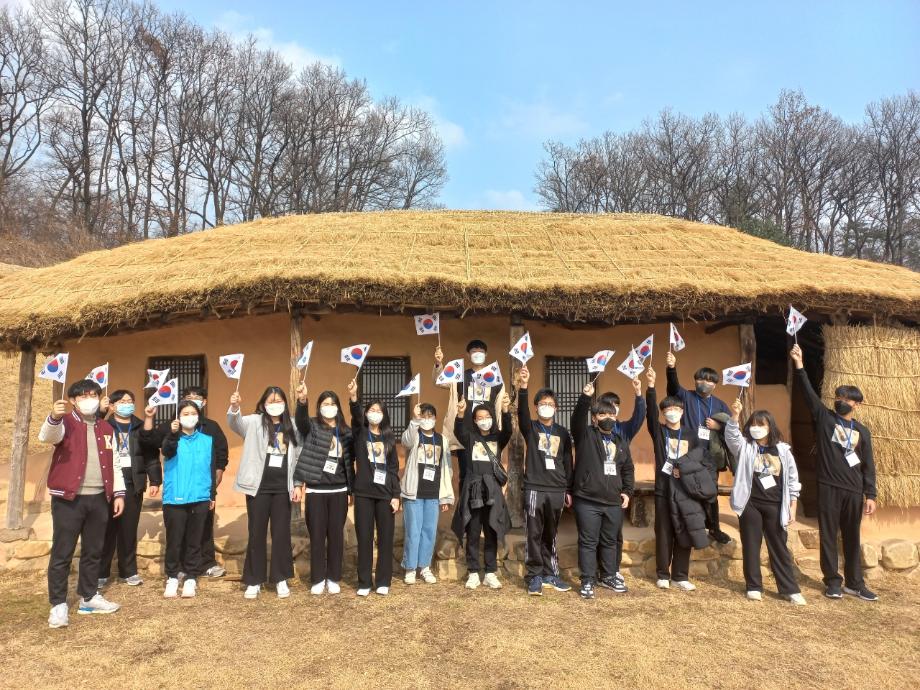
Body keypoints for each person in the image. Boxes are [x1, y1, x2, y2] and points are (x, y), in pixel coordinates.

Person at [790, 344, 878, 601]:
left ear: (857, 404)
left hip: (854, 490)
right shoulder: (825, 418)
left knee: (852, 537)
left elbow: (868, 465)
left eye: (846, 399)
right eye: (838, 398)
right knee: (828, 535)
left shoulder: (862, 432)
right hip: (828, 486)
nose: (840, 402)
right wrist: (799, 365)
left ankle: (855, 583)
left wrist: (870, 494)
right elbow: (808, 395)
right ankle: (832, 581)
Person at [40, 380, 125, 629]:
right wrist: (53, 417)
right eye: (83, 395)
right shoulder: (65, 422)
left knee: (93, 550)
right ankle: (58, 604)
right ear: (74, 400)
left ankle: (88, 597)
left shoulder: (107, 427)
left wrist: (118, 493)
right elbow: (47, 436)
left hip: (99, 498)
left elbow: (116, 461)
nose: (89, 399)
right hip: (69, 499)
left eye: (94, 395)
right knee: (62, 552)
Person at [725, 400, 805, 605]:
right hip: (750, 504)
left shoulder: (783, 450)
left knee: (778, 546)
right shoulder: (745, 447)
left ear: (770, 427)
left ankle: (789, 589)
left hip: (775, 505)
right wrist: (735, 415)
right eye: (753, 424)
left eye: (761, 425)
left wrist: (792, 507)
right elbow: (731, 437)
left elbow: (793, 480)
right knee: (751, 545)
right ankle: (753, 586)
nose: (756, 428)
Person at [228, 386, 302, 600]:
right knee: (256, 533)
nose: (275, 403)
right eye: (270, 400)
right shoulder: (253, 422)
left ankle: (280, 578)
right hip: (257, 488)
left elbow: (298, 456)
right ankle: (254, 580)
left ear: (285, 404)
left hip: (282, 489)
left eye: (279, 400)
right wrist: (234, 407)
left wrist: (297, 483)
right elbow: (234, 423)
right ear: (263, 403)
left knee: (281, 534)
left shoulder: (293, 426)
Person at [147, 386, 229, 579]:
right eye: (189, 399)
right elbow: (151, 443)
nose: (191, 412)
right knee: (179, 528)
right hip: (179, 488)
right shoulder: (171, 426)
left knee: (204, 525)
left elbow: (221, 452)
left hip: (204, 486)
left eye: (197, 399)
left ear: (203, 403)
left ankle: (207, 563)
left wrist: (218, 473)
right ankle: (180, 568)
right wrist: (152, 419)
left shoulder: (211, 427)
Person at [570, 381, 634, 600]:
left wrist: (627, 491)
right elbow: (576, 419)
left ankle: (608, 575)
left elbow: (627, 469)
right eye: (603, 414)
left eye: (612, 414)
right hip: (587, 500)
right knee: (588, 542)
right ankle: (587, 580)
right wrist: (585, 398)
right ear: (595, 417)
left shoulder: (620, 441)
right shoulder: (585, 435)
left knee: (609, 541)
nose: (608, 417)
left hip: (613, 502)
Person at [517, 364, 573, 595]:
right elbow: (520, 414)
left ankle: (551, 574)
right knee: (534, 533)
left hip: (557, 489)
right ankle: (534, 576)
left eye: (550, 404)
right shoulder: (530, 428)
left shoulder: (562, 433)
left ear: (556, 408)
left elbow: (568, 461)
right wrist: (523, 387)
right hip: (535, 489)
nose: (546, 407)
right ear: (536, 407)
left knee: (551, 533)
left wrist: (568, 488)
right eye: (542, 404)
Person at [293, 385, 354, 595]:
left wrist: (350, 491)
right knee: (317, 535)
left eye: (333, 404)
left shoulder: (345, 432)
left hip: (339, 490)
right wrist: (302, 401)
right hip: (316, 491)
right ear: (319, 407)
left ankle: (333, 577)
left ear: (338, 407)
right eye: (325, 404)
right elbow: (300, 421)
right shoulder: (312, 426)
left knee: (336, 536)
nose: (329, 407)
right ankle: (318, 578)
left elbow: (350, 460)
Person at [665, 350, 732, 544]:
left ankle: (715, 529)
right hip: (688, 456)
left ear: (715, 384)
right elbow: (673, 387)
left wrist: (719, 426)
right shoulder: (686, 397)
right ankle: (692, 528)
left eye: (709, 380)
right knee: (688, 491)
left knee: (710, 493)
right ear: (695, 381)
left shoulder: (720, 404)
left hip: (710, 458)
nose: (704, 383)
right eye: (700, 379)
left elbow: (732, 428)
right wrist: (671, 368)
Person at [98, 389, 161, 589]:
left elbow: (151, 455)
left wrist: (155, 480)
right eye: (123, 401)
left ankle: (128, 571)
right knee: (106, 529)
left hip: (133, 482)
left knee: (128, 528)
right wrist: (100, 413)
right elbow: (89, 432)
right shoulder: (104, 425)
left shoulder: (141, 426)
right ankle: (101, 572)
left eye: (130, 400)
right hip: (107, 482)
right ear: (112, 406)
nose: (127, 403)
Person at [451, 394, 513, 590]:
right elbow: (458, 430)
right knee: (473, 530)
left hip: (492, 491)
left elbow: (509, 431)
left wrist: (505, 410)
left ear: (492, 419)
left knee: (491, 530)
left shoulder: (497, 438)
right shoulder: (470, 438)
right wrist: (460, 414)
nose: (484, 420)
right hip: (474, 490)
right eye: (480, 417)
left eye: (487, 416)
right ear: (475, 420)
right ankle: (472, 572)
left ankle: (490, 572)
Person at [645, 366, 698, 590]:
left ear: (683, 411)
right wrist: (650, 387)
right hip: (664, 489)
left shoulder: (691, 434)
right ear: (663, 412)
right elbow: (649, 413)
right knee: (664, 531)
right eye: (668, 409)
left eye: (676, 408)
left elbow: (698, 460)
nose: (672, 411)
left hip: (685, 490)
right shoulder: (659, 432)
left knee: (683, 530)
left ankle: (680, 575)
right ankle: (663, 574)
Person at [347, 380, 401, 597]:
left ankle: (383, 581)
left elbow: (394, 467)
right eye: (371, 410)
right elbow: (355, 416)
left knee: (386, 538)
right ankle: (364, 582)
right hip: (363, 494)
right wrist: (353, 397)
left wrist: (396, 495)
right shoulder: (360, 433)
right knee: (365, 538)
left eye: (379, 411)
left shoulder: (388, 437)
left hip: (385, 494)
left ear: (384, 414)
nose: (375, 413)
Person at [597, 376, 646, 593]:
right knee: (595, 533)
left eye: (616, 406)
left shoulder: (624, 430)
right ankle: (597, 569)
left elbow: (639, 416)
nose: (613, 410)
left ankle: (612, 569)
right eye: (608, 406)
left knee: (614, 534)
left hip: (616, 487)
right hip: (596, 488)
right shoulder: (593, 431)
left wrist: (638, 393)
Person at [433, 339, 502, 488]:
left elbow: (499, 404)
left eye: (481, 352)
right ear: (468, 354)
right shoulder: (460, 376)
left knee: (489, 473)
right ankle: (466, 508)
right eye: (474, 352)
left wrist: (499, 429)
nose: (477, 354)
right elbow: (439, 381)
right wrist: (439, 364)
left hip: (487, 433)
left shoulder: (494, 377)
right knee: (466, 473)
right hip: (465, 434)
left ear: (486, 354)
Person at [400, 402, 454, 585]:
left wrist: (445, 496)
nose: (427, 419)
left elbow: (447, 469)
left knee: (428, 532)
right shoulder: (415, 436)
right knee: (413, 532)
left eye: (431, 416)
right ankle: (410, 568)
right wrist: (414, 420)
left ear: (435, 419)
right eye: (424, 416)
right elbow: (405, 441)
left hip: (433, 494)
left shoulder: (442, 440)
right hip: (414, 492)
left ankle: (424, 567)